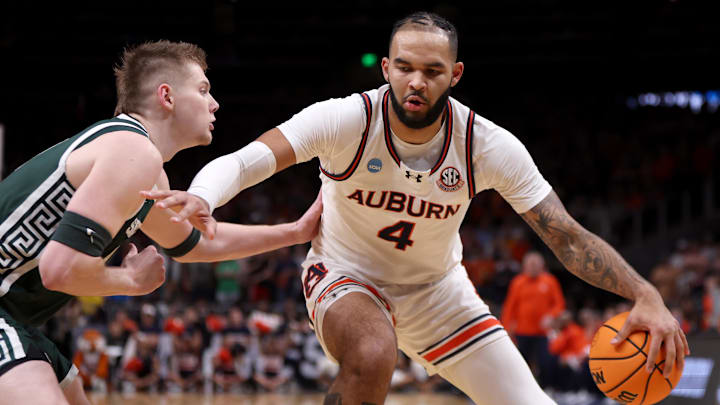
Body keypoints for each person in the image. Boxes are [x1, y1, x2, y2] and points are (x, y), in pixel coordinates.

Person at [145, 12, 689, 405]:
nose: (415, 81)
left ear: (454, 76)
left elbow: (566, 236)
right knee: (374, 350)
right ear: (385, 67)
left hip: (438, 291)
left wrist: (645, 292)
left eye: (432, 70)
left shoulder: (487, 145)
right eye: (404, 67)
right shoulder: (346, 119)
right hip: (345, 274)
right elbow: (247, 161)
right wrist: (204, 196)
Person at [0, 40, 321, 405]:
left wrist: (296, 232)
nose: (214, 104)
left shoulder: (141, 164)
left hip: (16, 318)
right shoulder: (133, 151)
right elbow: (59, 270)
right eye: (203, 90)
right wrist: (131, 281)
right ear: (166, 96)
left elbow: (198, 243)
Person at [501, 251, 565, 387]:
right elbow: (509, 307)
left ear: (542, 266)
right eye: (530, 264)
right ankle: (521, 391)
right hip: (522, 331)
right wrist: (506, 329)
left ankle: (546, 390)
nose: (533, 267)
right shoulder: (517, 282)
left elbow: (559, 304)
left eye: (535, 264)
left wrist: (551, 315)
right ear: (524, 266)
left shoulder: (550, 281)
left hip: (543, 332)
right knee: (521, 364)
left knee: (545, 362)